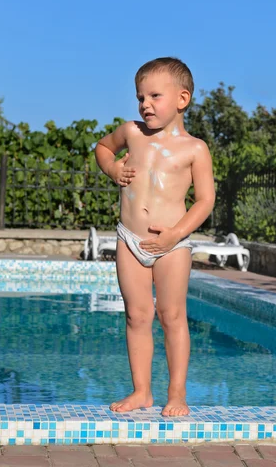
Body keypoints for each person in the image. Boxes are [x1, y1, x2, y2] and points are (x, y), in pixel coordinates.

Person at [95, 57, 215, 416]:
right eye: (140, 97)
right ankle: (141, 392)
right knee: (137, 315)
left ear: (182, 99)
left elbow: (205, 200)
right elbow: (102, 148)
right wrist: (113, 167)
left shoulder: (195, 149)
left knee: (172, 315)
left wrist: (174, 235)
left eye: (154, 96)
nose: (144, 104)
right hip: (129, 239)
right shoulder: (131, 132)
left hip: (172, 244)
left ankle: (176, 393)